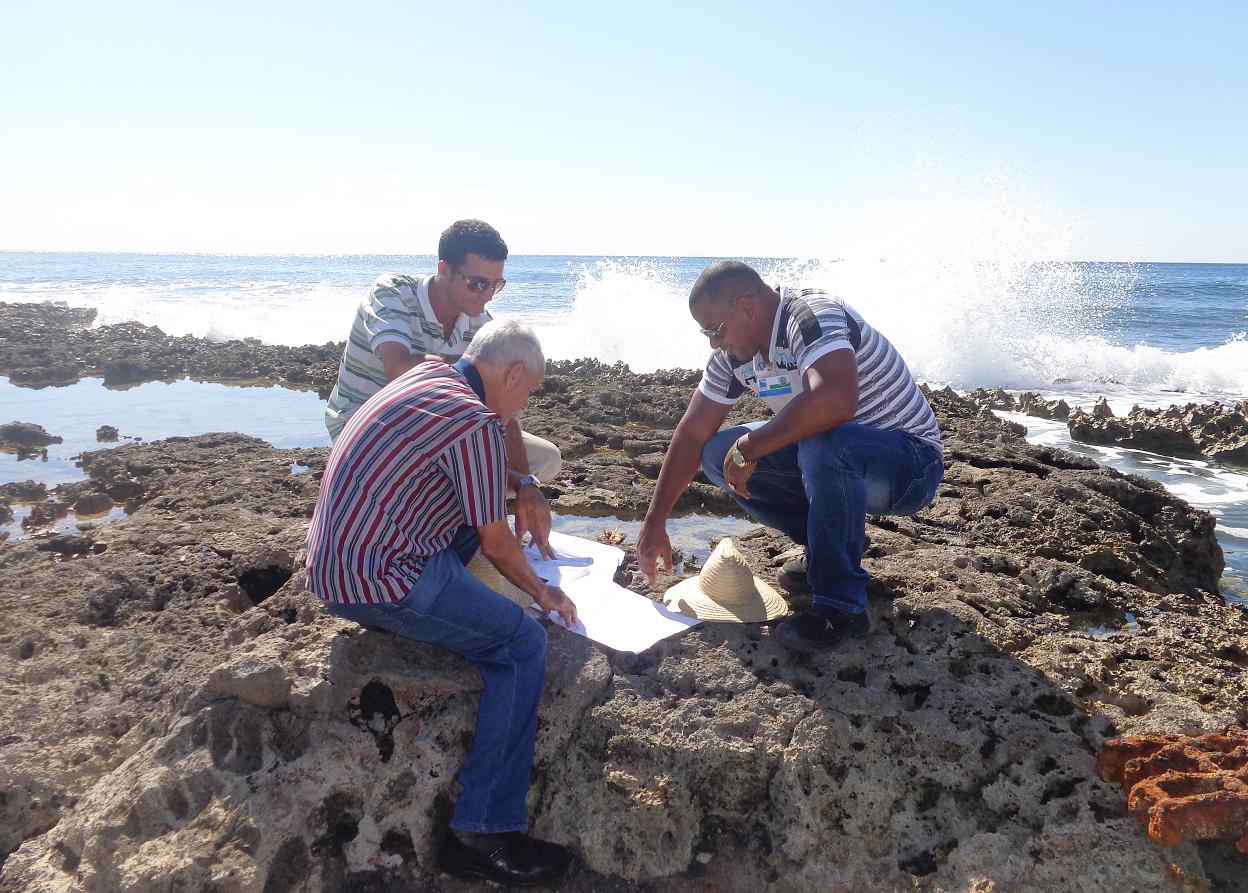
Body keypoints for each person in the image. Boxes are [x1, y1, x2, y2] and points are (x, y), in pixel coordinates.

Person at [306, 320, 577, 886]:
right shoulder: (473, 422)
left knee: (477, 533)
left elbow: (478, 505)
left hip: (338, 559)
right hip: (376, 578)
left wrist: (524, 486)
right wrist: (542, 591)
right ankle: (482, 833)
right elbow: (496, 544)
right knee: (522, 645)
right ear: (513, 374)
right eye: (529, 391)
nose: (526, 405)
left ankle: (447, 607)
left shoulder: (431, 376)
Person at [637, 261, 944, 652]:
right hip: (836, 457)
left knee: (822, 444)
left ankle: (841, 607)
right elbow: (693, 433)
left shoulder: (811, 315)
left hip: (911, 463)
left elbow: (836, 400)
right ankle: (828, 548)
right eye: (706, 334)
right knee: (716, 453)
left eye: (715, 330)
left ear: (746, 308)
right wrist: (654, 522)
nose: (714, 343)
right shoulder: (736, 355)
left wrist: (750, 447)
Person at [324, 219, 561, 555]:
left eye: (496, 285)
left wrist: (524, 483)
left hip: (436, 431)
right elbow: (399, 369)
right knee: (463, 470)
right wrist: (474, 371)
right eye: (477, 283)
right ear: (444, 270)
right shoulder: (393, 293)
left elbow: (500, 410)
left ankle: (454, 519)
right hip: (366, 431)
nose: (486, 295)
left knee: (546, 460)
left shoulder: (481, 324)